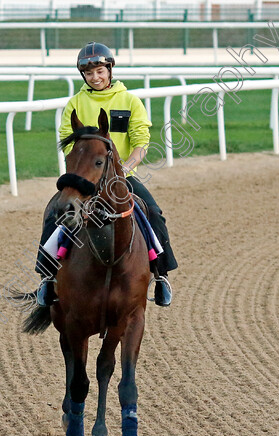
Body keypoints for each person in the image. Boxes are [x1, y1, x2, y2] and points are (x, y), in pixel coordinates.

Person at [36, 42, 178, 307]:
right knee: (56, 213)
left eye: (100, 71)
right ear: (83, 76)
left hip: (121, 178)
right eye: (89, 74)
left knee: (154, 213)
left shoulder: (129, 101)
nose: (95, 78)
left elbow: (141, 141)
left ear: (110, 69)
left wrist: (124, 169)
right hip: (85, 178)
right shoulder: (75, 104)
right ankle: (46, 277)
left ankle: (161, 275)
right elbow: (68, 144)